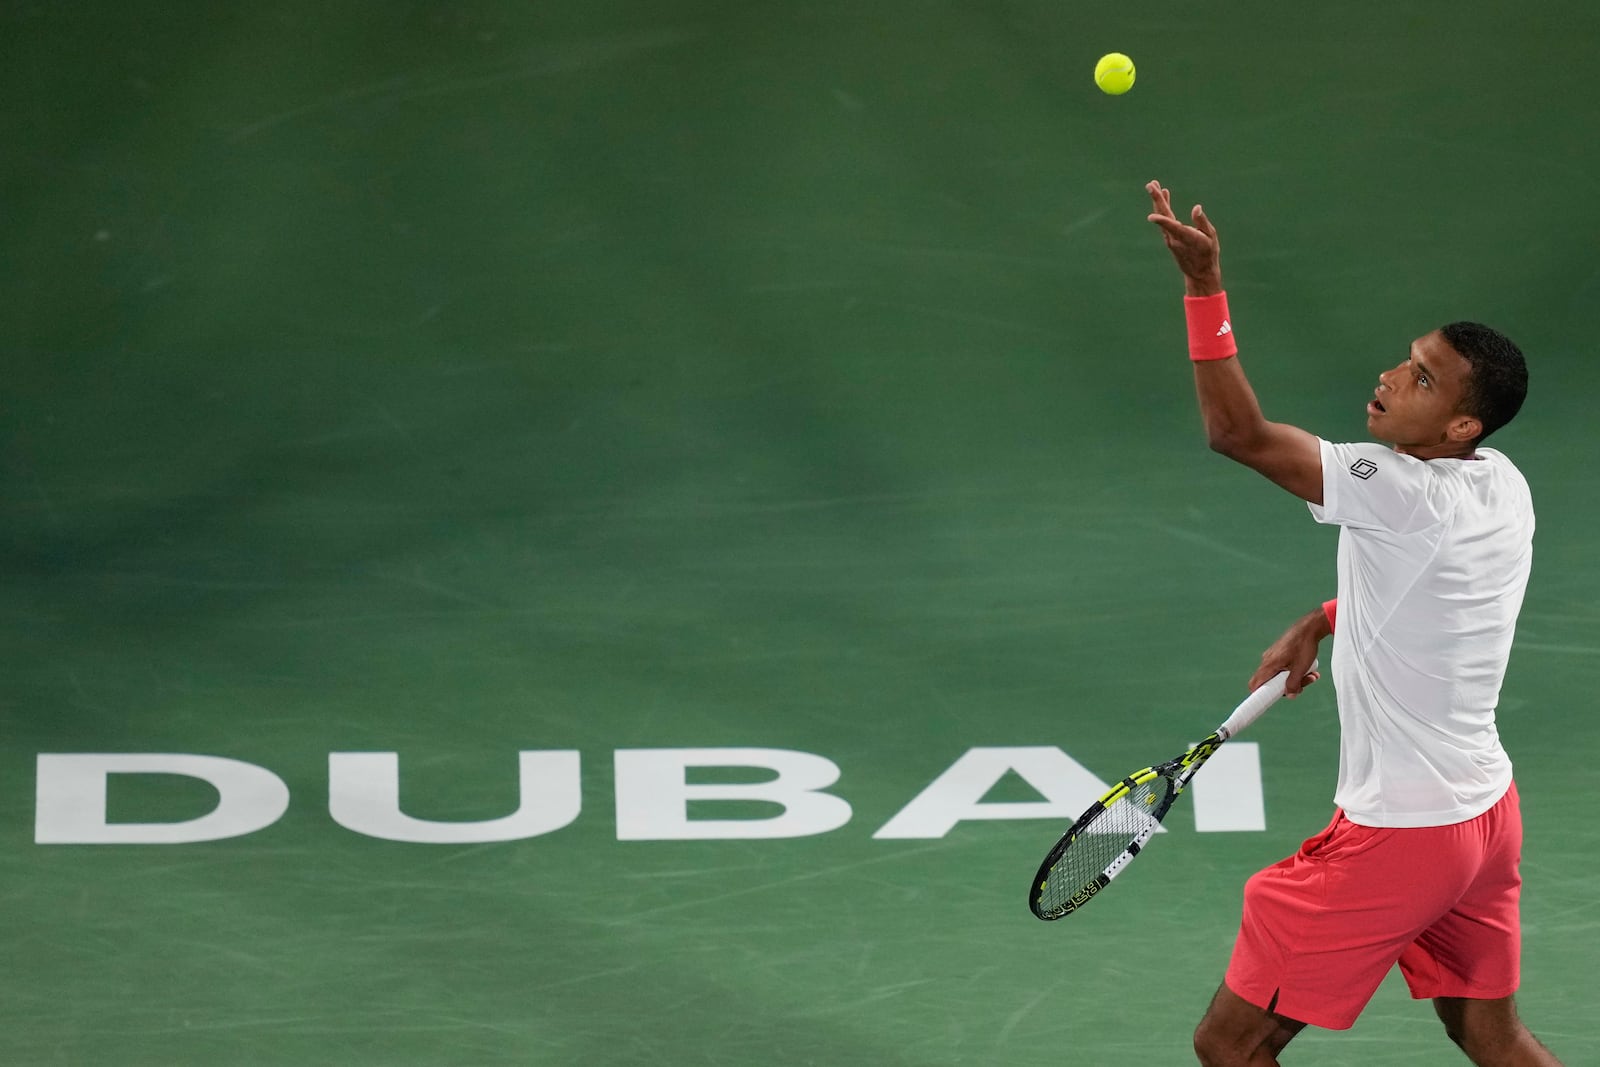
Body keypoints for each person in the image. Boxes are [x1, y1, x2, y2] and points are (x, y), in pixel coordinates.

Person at [1144, 179, 1562, 1067]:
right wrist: (1326, 618)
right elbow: (1443, 596)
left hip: (1403, 835)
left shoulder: (1399, 492)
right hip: (1486, 815)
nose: (1389, 377)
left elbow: (1238, 434)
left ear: (1459, 423)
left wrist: (1203, 290)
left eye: (1421, 377)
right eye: (1405, 357)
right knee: (1491, 1033)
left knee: (1231, 1041)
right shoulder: (1502, 482)